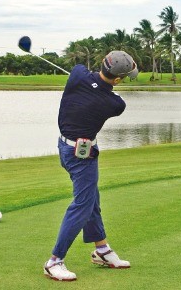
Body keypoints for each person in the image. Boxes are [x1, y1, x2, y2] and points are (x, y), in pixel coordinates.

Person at [43, 51, 138, 281]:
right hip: (81, 157)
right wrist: (101, 87)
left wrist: (92, 83)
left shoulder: (76, 75)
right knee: (83, 205)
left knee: (91, 200)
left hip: (66, 149)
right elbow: (106, 94)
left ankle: (102, 250)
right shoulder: (114, 103)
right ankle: (54, 261)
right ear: (117, 80)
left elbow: (82, 71)